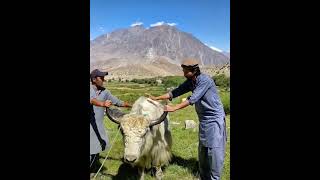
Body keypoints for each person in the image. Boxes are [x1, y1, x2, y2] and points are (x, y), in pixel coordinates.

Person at [148, 58, 227, 180]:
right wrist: (156, 98)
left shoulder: (205, 80)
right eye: (183, 70)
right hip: (204, 120)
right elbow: (175, 92)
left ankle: (215, 177)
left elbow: (193, 98)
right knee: (203, 150)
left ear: (194, 71)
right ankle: (204, 176)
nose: (184, 74)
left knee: (214, 151)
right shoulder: (191, 81)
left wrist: (174, 108)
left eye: (186, 71)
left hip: (214, 119)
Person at [90, 69, 131, 174]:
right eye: (101, 77)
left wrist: (133, 105)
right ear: (94, 79)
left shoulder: (105, 91)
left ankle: (92, 169)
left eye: (103, 77)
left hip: (98, 126)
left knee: (97, 147)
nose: (103, 79)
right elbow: (91, 100)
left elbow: (118, 102)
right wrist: (103, 104)